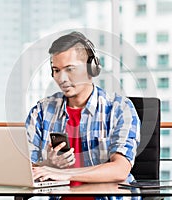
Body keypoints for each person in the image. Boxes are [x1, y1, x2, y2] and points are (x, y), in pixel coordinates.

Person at [25, 31, 141, 197]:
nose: (61, 78)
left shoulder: (119, 108)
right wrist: (48, 164)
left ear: (91, 68)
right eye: (56, 70)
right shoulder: (41, 112)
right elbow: (26, 170)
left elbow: (120, 169)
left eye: (70, 69)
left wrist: (64, 174)